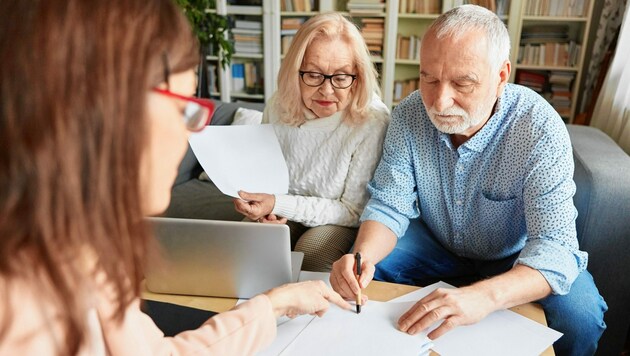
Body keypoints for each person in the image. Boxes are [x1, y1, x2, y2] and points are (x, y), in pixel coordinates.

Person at [0, 1, 351, 354]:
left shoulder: (79, 258)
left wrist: (274, 304)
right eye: (182, 106)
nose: (190, 133)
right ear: (103, 105)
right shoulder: (22, 309)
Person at [329, 5, 607, 355]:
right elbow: (389, 203)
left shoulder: (539, 129)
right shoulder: (411, 112)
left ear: (501, 76)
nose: (440, 100)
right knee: (368, 272)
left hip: (516, 257)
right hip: (434, 242)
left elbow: (555, 248)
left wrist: (484, 296)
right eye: (429, 78)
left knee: (581, 316)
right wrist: (360, 256)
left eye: (462, 82)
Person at [233, 12, 390, 272]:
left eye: (341, 77)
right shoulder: (279, 104)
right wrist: (266, 209)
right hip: (282, 206)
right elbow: (265, 174)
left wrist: (279, 203)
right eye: (314, 75)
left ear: (358, 76)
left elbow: (352, 211)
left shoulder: (372, 120)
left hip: (337, 219)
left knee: (312, 255)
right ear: (295, 72)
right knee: (244, 242)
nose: (327, 91)